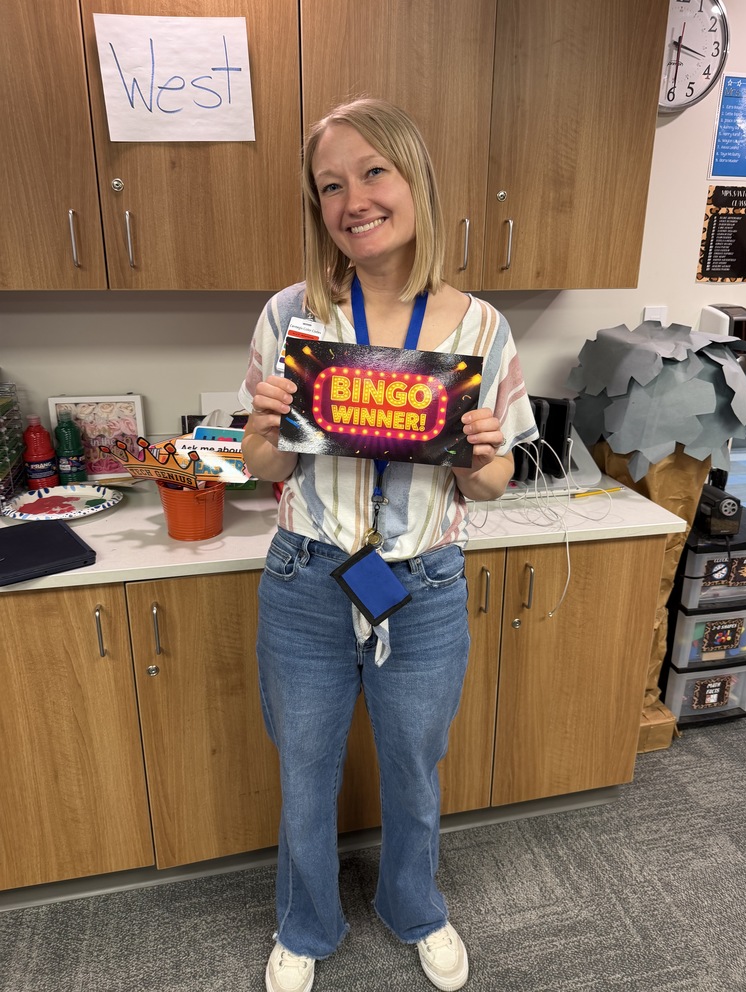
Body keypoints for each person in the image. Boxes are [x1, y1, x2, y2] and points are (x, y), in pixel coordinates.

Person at [240, 97, 537, 992]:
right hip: (306, 576)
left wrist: (480, 456)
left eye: (373, 172)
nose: (354, 200)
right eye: (330, 186)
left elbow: (493, 483)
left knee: (414, 767)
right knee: (305, 770)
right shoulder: (292, 316)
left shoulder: (481, 328)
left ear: (416, 182)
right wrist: (261, 430)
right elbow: (264, 467)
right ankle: (306, 923)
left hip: (424, 585)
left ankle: (416, 908)